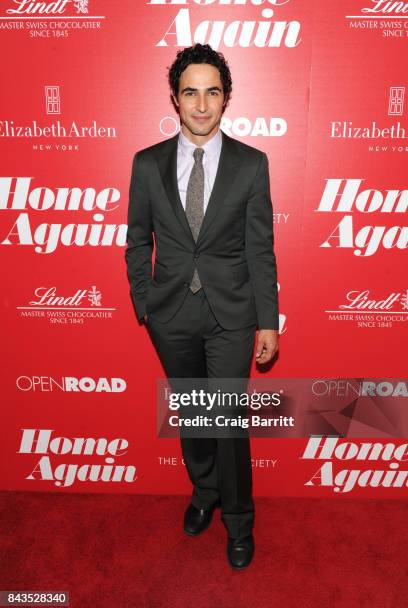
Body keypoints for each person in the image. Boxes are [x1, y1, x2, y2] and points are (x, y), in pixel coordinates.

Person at [125, 43, 279, 570]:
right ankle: (205, 492)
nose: (201, 103)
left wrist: (268, 321)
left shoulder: (251, 165)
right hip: (169, 314)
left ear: (226, 98)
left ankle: (239, 520)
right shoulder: (146, 165)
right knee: (192, 414)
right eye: (190, 91)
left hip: (231, 315)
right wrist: (144, 300)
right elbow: (135, 241)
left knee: (229, 420)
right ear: (175, 97)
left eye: (212, 91)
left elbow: (261, 249)